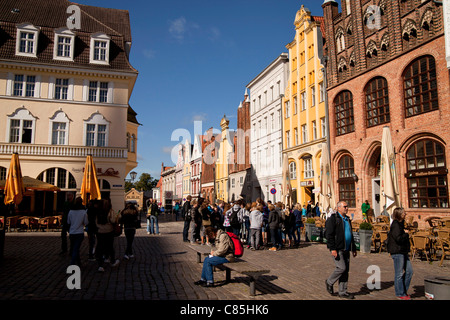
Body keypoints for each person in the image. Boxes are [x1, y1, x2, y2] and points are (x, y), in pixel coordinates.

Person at [325, 201, 357, 299]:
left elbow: (350, 235)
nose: (346, 208)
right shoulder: (334, 219)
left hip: (346, 248)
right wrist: (332, 248)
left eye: (347, 207)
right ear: (338, 208)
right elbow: (329, 235)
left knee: (345, 270)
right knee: (341, 268)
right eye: (345, 207)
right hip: (338, 248)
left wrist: (354, 248)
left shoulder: (347, 219)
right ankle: (329, 281)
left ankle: (342, 291)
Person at [387, 207, 413, 300]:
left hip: (403, 251)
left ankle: (403, 290)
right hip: (397, 251)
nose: (405, 214)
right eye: (403, 213)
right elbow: (398, 238)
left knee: (409, 271)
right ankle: (400, 293)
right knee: (399, 273)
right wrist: (406, 234)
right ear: (399, 214)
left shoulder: (401, 224)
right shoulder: (396, 225)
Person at [96, 199, 120, 272]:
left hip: (100, 231)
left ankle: (100, 265)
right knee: (110, 246)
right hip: (109, 231)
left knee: (100, 247)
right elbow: (113, 220)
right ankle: (112, 261)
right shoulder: (110, 211)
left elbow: (95, 222)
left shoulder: (97, 211)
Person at [67, 197, 88, 266]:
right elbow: (86, 222)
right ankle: (72, 264)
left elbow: (68, 221)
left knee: (75, 248)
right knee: (76, 248)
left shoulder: (71, 211)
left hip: (72, 232)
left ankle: (79, 263)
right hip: (79, 232)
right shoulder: (83, 212)